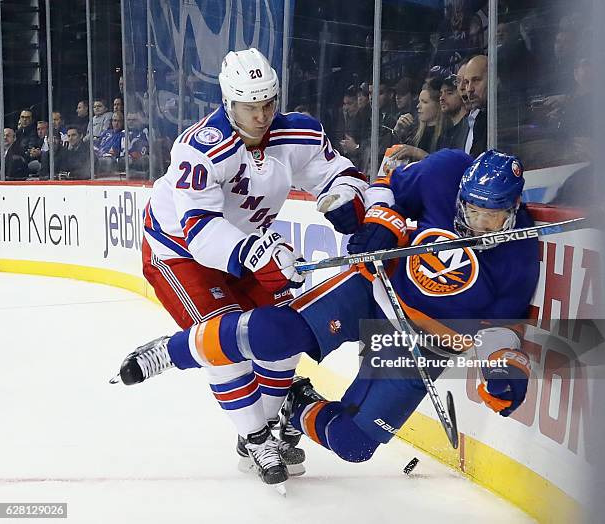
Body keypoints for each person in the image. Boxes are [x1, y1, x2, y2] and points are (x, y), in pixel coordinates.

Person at [113, 149, 538, 478]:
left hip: (426, 343)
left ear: (514, 208)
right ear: (462, 192)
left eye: (493, 215)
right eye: (473, 210)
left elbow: (498, 331)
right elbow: (386, 187)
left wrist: (504, 373)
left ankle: (295, 404)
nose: (479, 223)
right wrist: (383, 227)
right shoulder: (445, 171)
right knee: (276, 335)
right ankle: (172, 351)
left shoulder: (520, 255)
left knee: (354, 445)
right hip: (375, 290)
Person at [111, 48, 368, 487]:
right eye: (250, 106)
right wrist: (257, 254)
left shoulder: (299, 133)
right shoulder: (200, 148)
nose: (262, 115)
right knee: (225, 340)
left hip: (246, 244)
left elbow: (340, 173)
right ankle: (254, 437)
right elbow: (202, 233)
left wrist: (344, 195)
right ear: (228, 103)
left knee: (284, 333)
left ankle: (266, 422)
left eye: (269, 103)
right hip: (179, 251)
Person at [437, 74, 468, 150]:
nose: (442, 98)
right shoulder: (445, 135)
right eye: (441, 93)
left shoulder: (470, 128)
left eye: (449, 93)